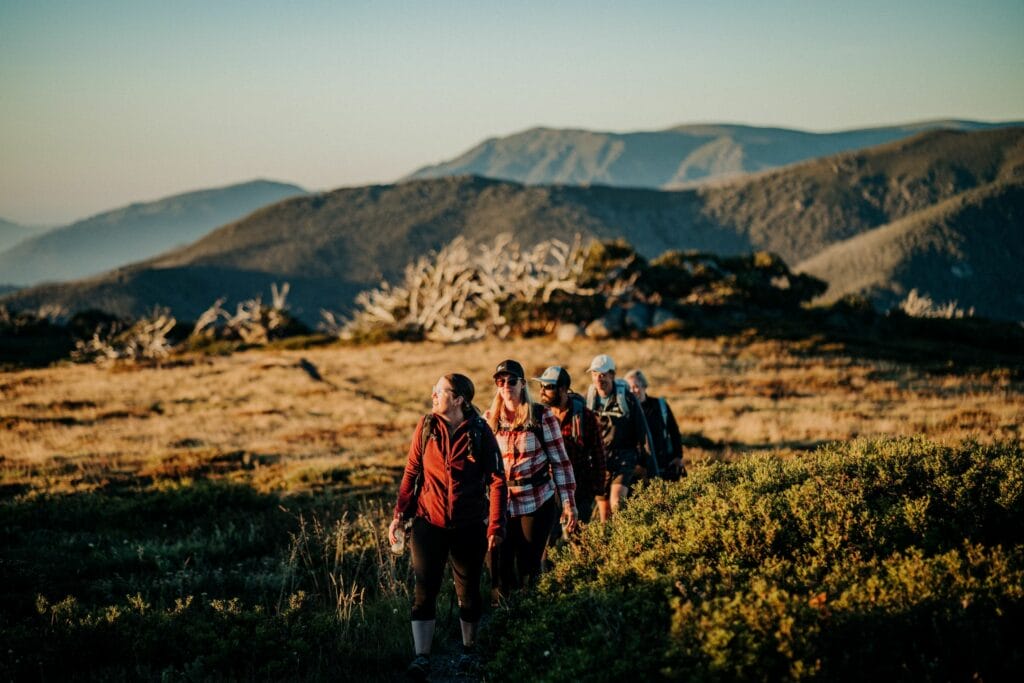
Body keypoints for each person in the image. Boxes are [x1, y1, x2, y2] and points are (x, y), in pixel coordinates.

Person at [389, 373, 507, 680]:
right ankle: (422, 658)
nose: (433, 395)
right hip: (429, 523)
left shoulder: (480, 431)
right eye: (433, 390)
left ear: (458, 399)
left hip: (469, 526)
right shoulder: (426, 426)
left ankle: (469, 651)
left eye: (439, 391)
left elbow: (497, 481)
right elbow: (411, 473)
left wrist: (495, 525)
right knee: (423, 591)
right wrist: (399, 515)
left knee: (467, 592)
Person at [485, 359, 577, 598]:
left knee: (529, 566)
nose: (506, 385)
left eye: (512, 381)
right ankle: (504, 616)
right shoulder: (489, 421)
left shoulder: (541, 417)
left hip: (535, 500)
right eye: (500, 381)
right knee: (499, 567)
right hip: (501, 502)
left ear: (522, 384)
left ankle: (533, 615)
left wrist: (568, 503)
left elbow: (560, 462)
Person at [585, 354, 656, 521]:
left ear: (612, 375)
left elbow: (643, 432)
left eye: (602, 375)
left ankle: (622, 541)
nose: (598, 379)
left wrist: (651, 467)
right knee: (604, 513)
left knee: (617, 502)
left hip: (625, 457)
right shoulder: (590, 399)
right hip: (600, 461)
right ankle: (607, 545)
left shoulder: (627, 398)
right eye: (595, 374)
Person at [533, 365, 606, 527]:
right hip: (548, 488)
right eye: (541, 386)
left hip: (580, 487)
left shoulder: (585, 416)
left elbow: (598, 453)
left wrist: (598, 489)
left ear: (563, 389)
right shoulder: (539, 417)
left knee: (579, 539)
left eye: (549, 387)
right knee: (548, 540)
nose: (542, 391)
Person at [625, 369, 687, 481]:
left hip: (665, 467)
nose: (632, 391)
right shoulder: (626, 412)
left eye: (636, 386)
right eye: (629, 388)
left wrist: (678, 456)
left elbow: (674, 431)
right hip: (639, 472)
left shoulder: (659, 405)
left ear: (644, 386)